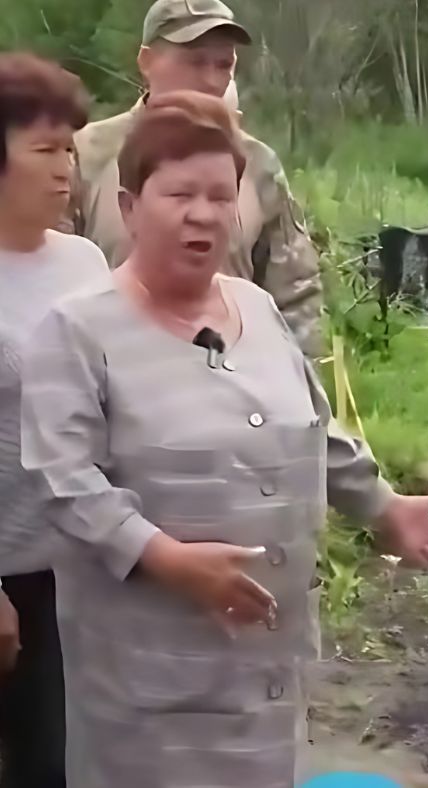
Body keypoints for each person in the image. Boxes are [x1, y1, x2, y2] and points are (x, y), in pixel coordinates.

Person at [20, 91, 428, 787]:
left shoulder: (253, 305)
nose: (204, 214)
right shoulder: (78, 331)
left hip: (266, 667)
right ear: (131, 209)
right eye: (180, 194)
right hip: (149, 692)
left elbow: (314, 425)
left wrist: (380, 503)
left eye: (221, 195)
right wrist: (166, 558)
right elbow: (64, 483)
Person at [65, 0, 325, 357]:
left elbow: (295, 295)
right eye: (195, 61)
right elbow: (48, 277)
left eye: (224, 65)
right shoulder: (86, 154)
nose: (211, 79)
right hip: (113, 378)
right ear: (146, 61)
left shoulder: (258, 164)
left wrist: (297, 389)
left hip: (231, 381)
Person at [0, 52, 107, 788]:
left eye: (70, 147)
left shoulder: (85, 262)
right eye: (44, 150)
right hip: (6, 577)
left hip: (80, 570)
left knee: (63, 764)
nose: (65, 166)